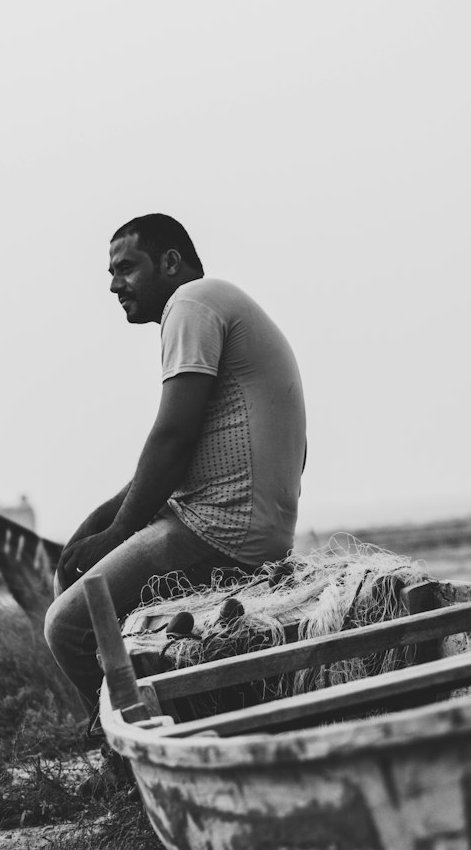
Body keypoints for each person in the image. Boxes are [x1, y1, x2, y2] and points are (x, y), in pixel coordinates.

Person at [44, 213, 307, 710]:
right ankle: (175, 707)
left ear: (169, 262)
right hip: (237, 524)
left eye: (126, 268)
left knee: (68, 626)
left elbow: (171, 439)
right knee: (82, 573)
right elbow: (173, 459)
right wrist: (94, 530)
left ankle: (126, 753)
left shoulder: (191, 302)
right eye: (110, 273)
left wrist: (116, 535)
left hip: (219, 530)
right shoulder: (213, 304)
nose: (113, 285)